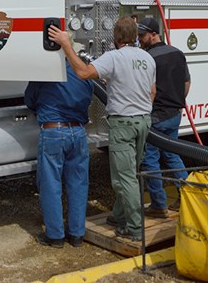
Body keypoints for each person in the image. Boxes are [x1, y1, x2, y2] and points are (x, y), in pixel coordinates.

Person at [48, 17, 156, 242]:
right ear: (136, 36)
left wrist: (67, 46)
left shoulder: (114, 57)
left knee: (123, 178)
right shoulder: (147, 58)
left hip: (123, 123)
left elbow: (83, 73)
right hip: (144, 120)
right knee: (131, 172)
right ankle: (119, 216)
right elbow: (152, 91)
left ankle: (135, 229)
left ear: (116, 38)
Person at [25, 60, 94, 248]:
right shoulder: (83, 70)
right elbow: (89, 98)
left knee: (50, 183)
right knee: (79, 183)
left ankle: (55, 236)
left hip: (53, 131)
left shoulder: (44, 71)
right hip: (79, 132)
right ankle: (77, 234)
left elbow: (29, 100)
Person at [137, 17, 190, 217]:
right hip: (174, 114)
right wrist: (176, 104)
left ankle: (159, 205)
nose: (139, 40)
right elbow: (186, 83)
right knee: (172, 155)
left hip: (156, 117)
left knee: (150, 160)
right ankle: (187, 197)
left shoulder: (148, 59)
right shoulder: (177, 53)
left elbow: (146, 90)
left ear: (153, 34)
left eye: (142, 36)